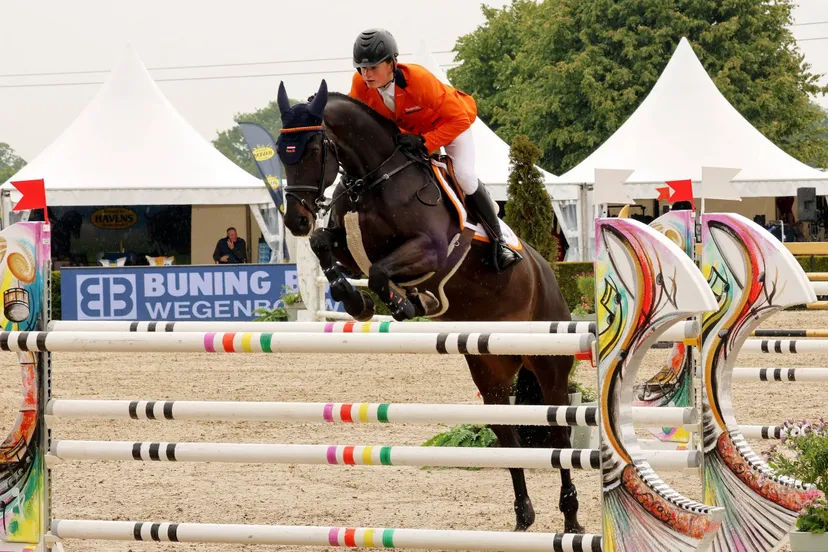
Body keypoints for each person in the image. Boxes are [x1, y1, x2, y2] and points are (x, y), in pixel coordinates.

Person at [348, 28, 522, 271]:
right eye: (361, 68)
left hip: (451, 125)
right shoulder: (361, 84)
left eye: (373, 67)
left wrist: (424, 142)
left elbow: (459, 120)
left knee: (464, 175)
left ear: (392, 63)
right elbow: (352, 115)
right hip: (413, 134)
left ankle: (499, 241)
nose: (366, 74)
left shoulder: (419, 80)